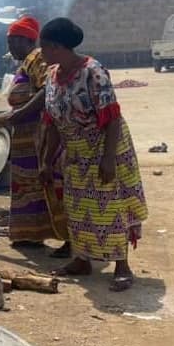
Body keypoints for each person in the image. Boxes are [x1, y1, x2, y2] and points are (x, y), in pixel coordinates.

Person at [38, 18, 148, 292]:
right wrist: (47, 161)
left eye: (44, 47)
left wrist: (108, 159)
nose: (41, 53)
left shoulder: (93, 72)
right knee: (77, 207)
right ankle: (82, 259)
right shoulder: (51, 74)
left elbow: (111, 118)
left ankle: (122, 267)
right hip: (75, 151)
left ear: (57, 47)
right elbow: (52, 123)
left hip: (104, 147)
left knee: (110, 206)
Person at [0, 17, 69, 254]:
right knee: (30, 188)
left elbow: (48, 89)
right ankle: (31, 234)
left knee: (51, 183)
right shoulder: (26, 63)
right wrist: (7, 115)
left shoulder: (38, 58)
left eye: (10, 42)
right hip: (24, 139)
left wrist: (14, 116)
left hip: (40, 135)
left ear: (23, 40)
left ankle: (70, 239)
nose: (8, 48)